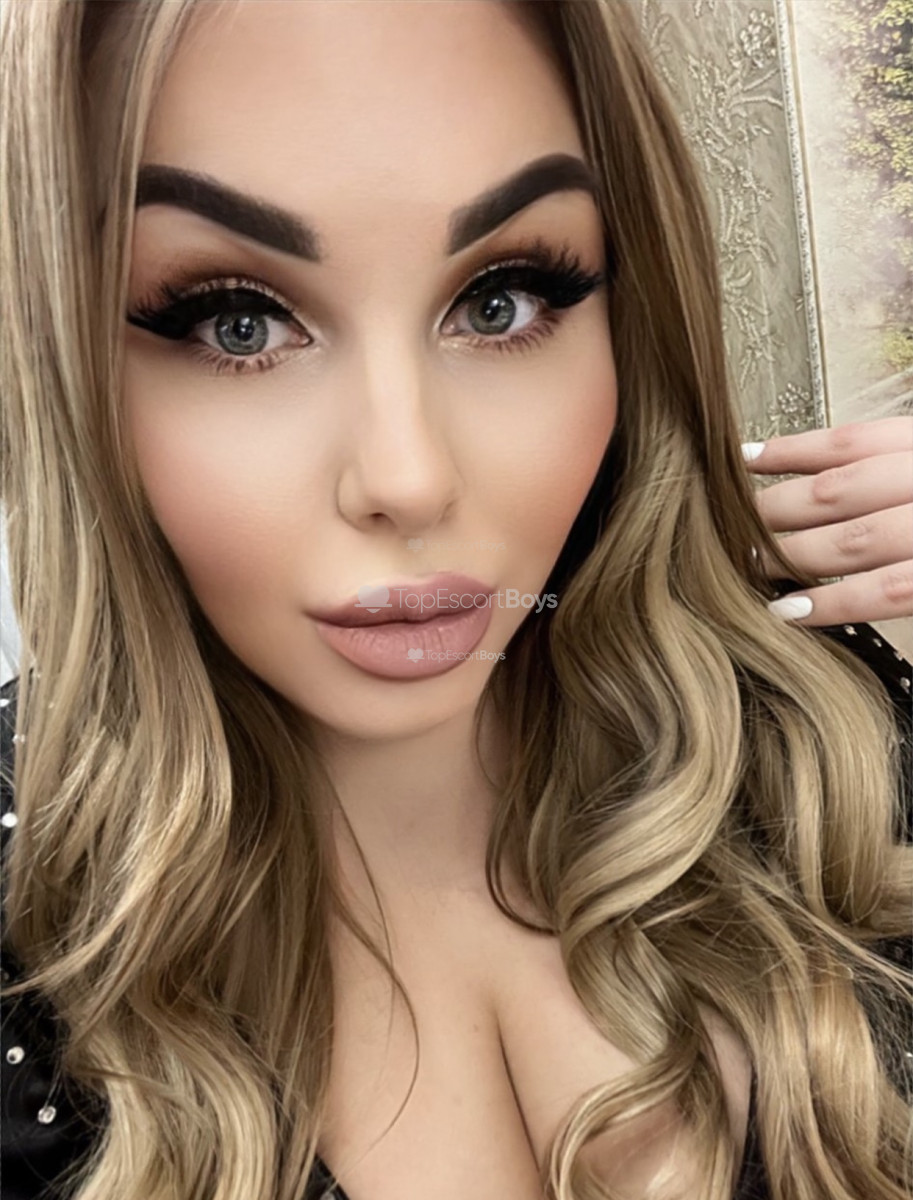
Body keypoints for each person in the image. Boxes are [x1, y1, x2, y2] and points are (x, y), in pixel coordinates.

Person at [0, 2, 910, 1199]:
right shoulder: (25, 920)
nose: (409, 477)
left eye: (501, 300)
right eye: (235, 320)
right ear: (60, 358)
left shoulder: (818, 730)